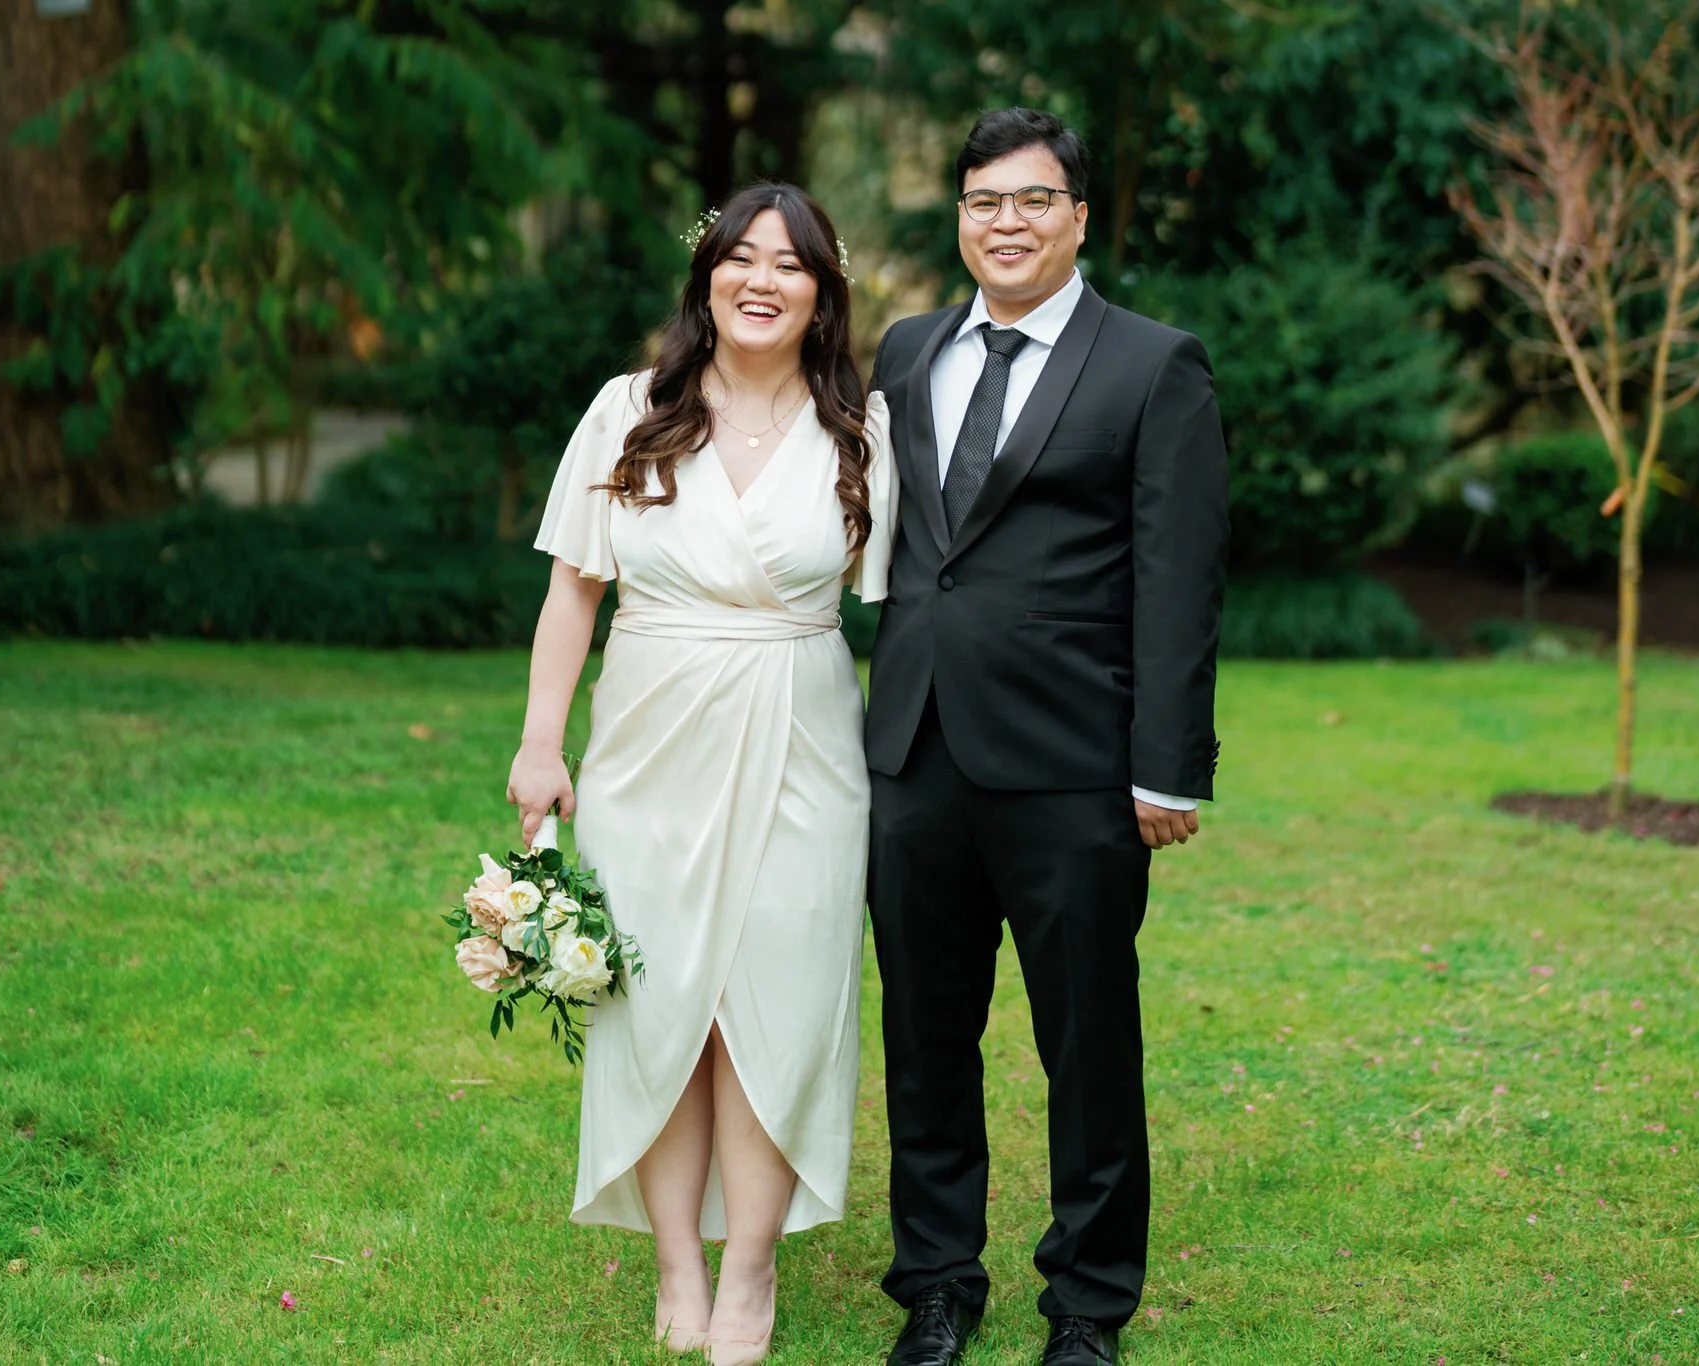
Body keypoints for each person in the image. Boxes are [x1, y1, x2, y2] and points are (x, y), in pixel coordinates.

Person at [507, 182, 895, 1366]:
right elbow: (574, 585)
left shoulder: (862, 434)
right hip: (648, 745)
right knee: (661, 1006)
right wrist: (539, 741)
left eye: (790, 265)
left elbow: (920, 607)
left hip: (804, 748)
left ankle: (751, 1273)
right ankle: (676, 1258)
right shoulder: (630, 410)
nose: (761, 281)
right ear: (708, 277)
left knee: (770, 1011)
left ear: (822, 294)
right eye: (741, 259)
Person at [865, 108, 1230, 1366]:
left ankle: (1085, 1303)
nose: (1002, 223)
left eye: (1029, 201)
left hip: (1074, 768)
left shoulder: (1150, 363)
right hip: (911, 752)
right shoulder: (906, 353)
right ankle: (934, 1282)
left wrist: (1166, 765)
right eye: (980, 201)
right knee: (921, 1036)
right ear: (956, 216)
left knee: (1086, 1043)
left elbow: (1179, 576)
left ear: (1078, 215)